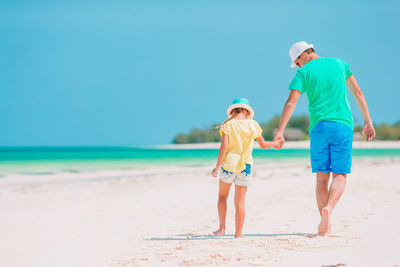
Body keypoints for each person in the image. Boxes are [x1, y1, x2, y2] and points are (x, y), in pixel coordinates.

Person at [273, 41, 376, 235]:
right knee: (340, 174)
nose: (298, 67)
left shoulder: (303, 73)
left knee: (321, 178)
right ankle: (329, 208)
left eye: (297, 63)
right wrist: (368, 121)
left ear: (302, 55)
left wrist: (280, 131)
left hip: (319, 128)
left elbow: (290, 103)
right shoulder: (340, 64)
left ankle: (324, 221)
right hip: (343, 125)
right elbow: (358, 92)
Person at [212, 98, 283, 238]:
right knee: (240, 202)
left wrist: (217, 166)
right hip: (245, 167)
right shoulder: (253, 125)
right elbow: (262, 145)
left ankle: (222, 228)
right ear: (246, 110)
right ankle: (238, 233)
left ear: (233, 111)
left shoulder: (228, 125)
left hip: (228, 166)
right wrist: (275, 144)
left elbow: (224, 147)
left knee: (222, 197)